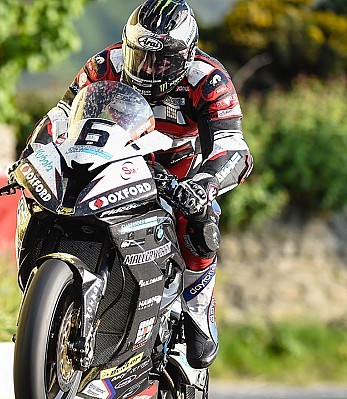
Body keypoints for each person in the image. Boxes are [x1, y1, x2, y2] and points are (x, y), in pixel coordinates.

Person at [19, 0, 253, 369]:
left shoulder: (209, 80)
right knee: (42, 197)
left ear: (186, 55)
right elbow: (61, 116)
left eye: (162, 60)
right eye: (140, 55)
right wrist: (34, 153)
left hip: (176, 170)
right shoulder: (104, 65)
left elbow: (233, 147)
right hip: (109, 158)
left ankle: (197, 309)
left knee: (201, 223)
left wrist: (204, 186)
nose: (148, 68)